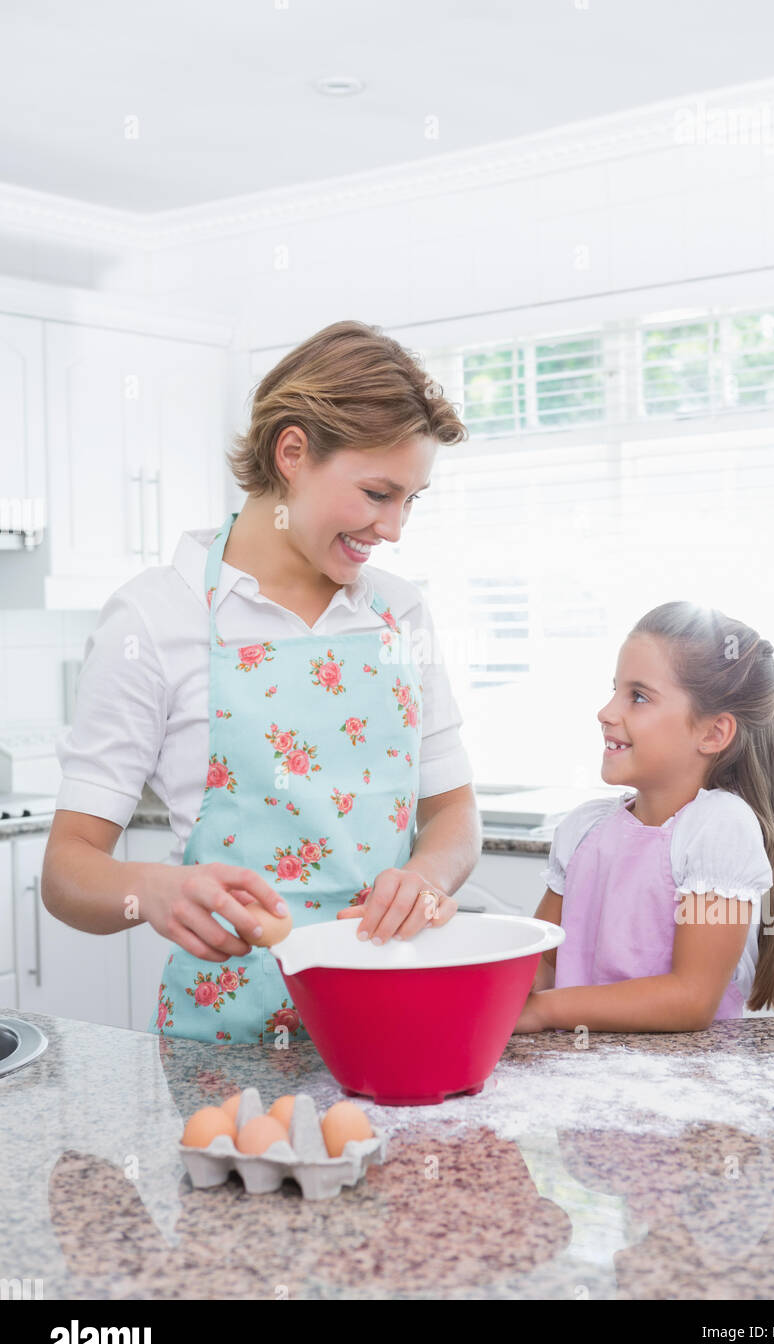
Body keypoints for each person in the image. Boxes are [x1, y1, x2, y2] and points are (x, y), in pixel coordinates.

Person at [43, 320, 482, 1044]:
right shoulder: (156, 618)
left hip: (392, 1020)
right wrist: (149, 889)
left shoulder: (400, 611)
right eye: (377, 492)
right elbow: (67, 871)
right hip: (229, 1046)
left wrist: (427, 878)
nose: (395, 527)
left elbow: (454, 813)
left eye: (412, 500)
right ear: (292, 453)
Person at [514, 600, 774, 1033]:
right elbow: (541, 964)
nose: (606, 712)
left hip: (682, 1084)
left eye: (638, 697)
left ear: (713, 733)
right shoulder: (584, 829)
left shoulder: (717, 830)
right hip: (587, 1076)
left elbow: (691, 998)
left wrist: (544, 1011)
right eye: (614, 690)